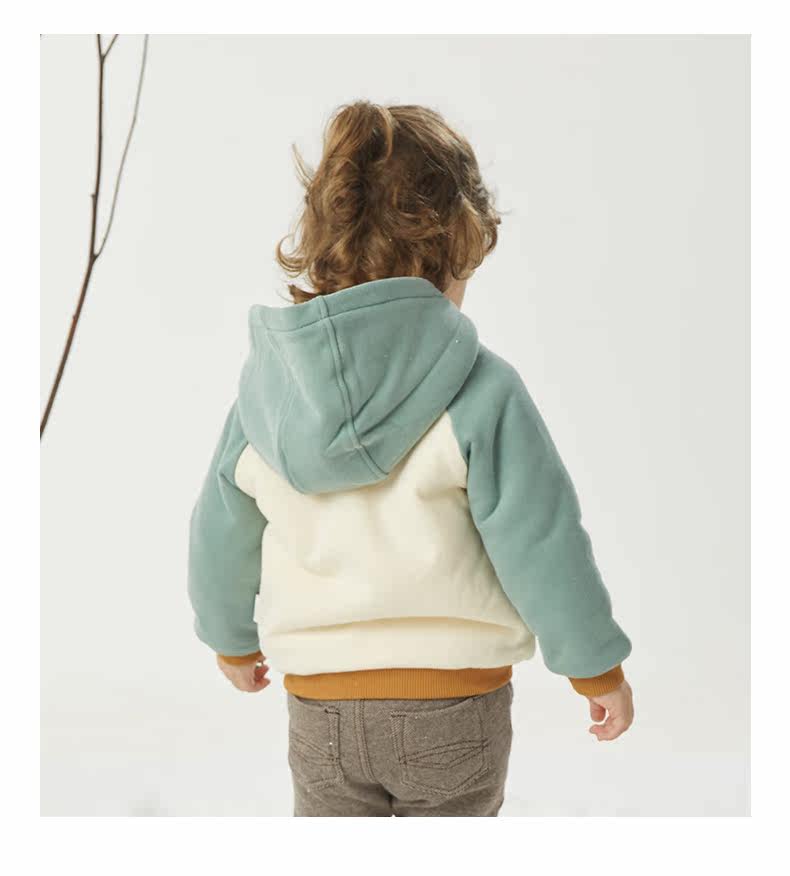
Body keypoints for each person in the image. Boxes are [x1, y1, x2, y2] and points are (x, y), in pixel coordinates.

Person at [188, 101, 634, 817]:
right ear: (455, 247)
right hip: (454, 708)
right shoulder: (481, 389)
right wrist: (594, 665)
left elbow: (220, 528)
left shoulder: (266, 398)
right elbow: (540, 538)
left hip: (320, 714)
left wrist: (230, 639)